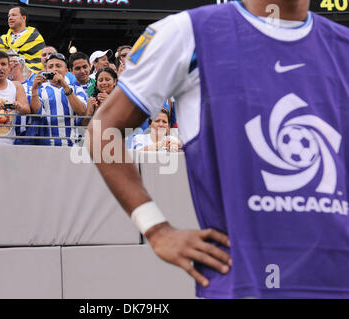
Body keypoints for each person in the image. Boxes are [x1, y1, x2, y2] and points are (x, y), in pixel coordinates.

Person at [87, 0, 349, 299]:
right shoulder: (189, 33)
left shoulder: (342, 46)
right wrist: (156, 229)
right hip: (243, 284)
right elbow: (104, 128)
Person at [30, 52, 87, 147]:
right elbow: (36, 112)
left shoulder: (77, 89)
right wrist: (34, 89)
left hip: (73, 146)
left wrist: (65, 85)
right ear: (46, 70)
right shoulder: (40, 89)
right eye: (50, 66)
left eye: (58, 66)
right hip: (47, 146)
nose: (54, 69)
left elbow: (81, 111)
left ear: (66, 70)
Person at [0, 6, 45, 73]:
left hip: (28, 79)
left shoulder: (35, 37)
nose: (10, 18)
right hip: (5, 77)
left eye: (14, 15)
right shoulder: (4, 39)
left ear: (23, 18)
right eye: (9, 16)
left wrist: (15, 60)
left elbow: (39, 61)